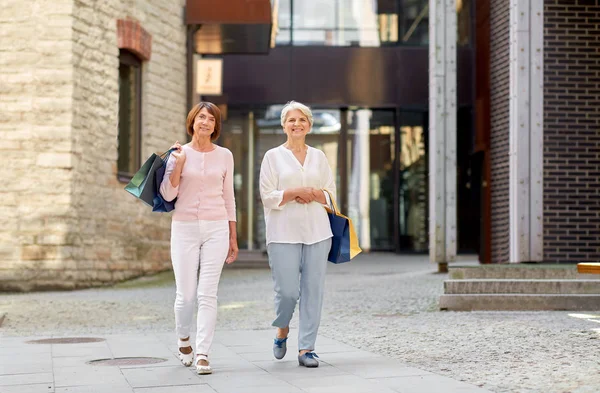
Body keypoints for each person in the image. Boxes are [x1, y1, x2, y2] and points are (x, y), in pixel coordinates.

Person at [160, 102, 238, 375]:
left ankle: (203, 353)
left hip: (216, 227)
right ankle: (183, 339)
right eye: (201, 117)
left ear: (216, 126)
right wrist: (179, 164)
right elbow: (168, 196)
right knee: (186, 295)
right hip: (184, 228)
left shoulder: (225, 155)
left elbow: (229, 197)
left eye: (211, 119)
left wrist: (232, 236)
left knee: (208, 294)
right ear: (192, 121)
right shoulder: (177, 154)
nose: (205, 122)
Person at [259, 101, 336, 368]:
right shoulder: (272, 156)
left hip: (317, 231)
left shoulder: (319, 157)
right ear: (283, 125)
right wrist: (294, 193)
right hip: (282, 233)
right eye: (291, 120)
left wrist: (313, 194)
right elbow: (267, 197)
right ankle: (282, 329)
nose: (297, 124)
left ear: (309, 125)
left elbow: (329, 195)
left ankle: (307, 349)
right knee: (288, 292)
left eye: (302, 120)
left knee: (313, 290)